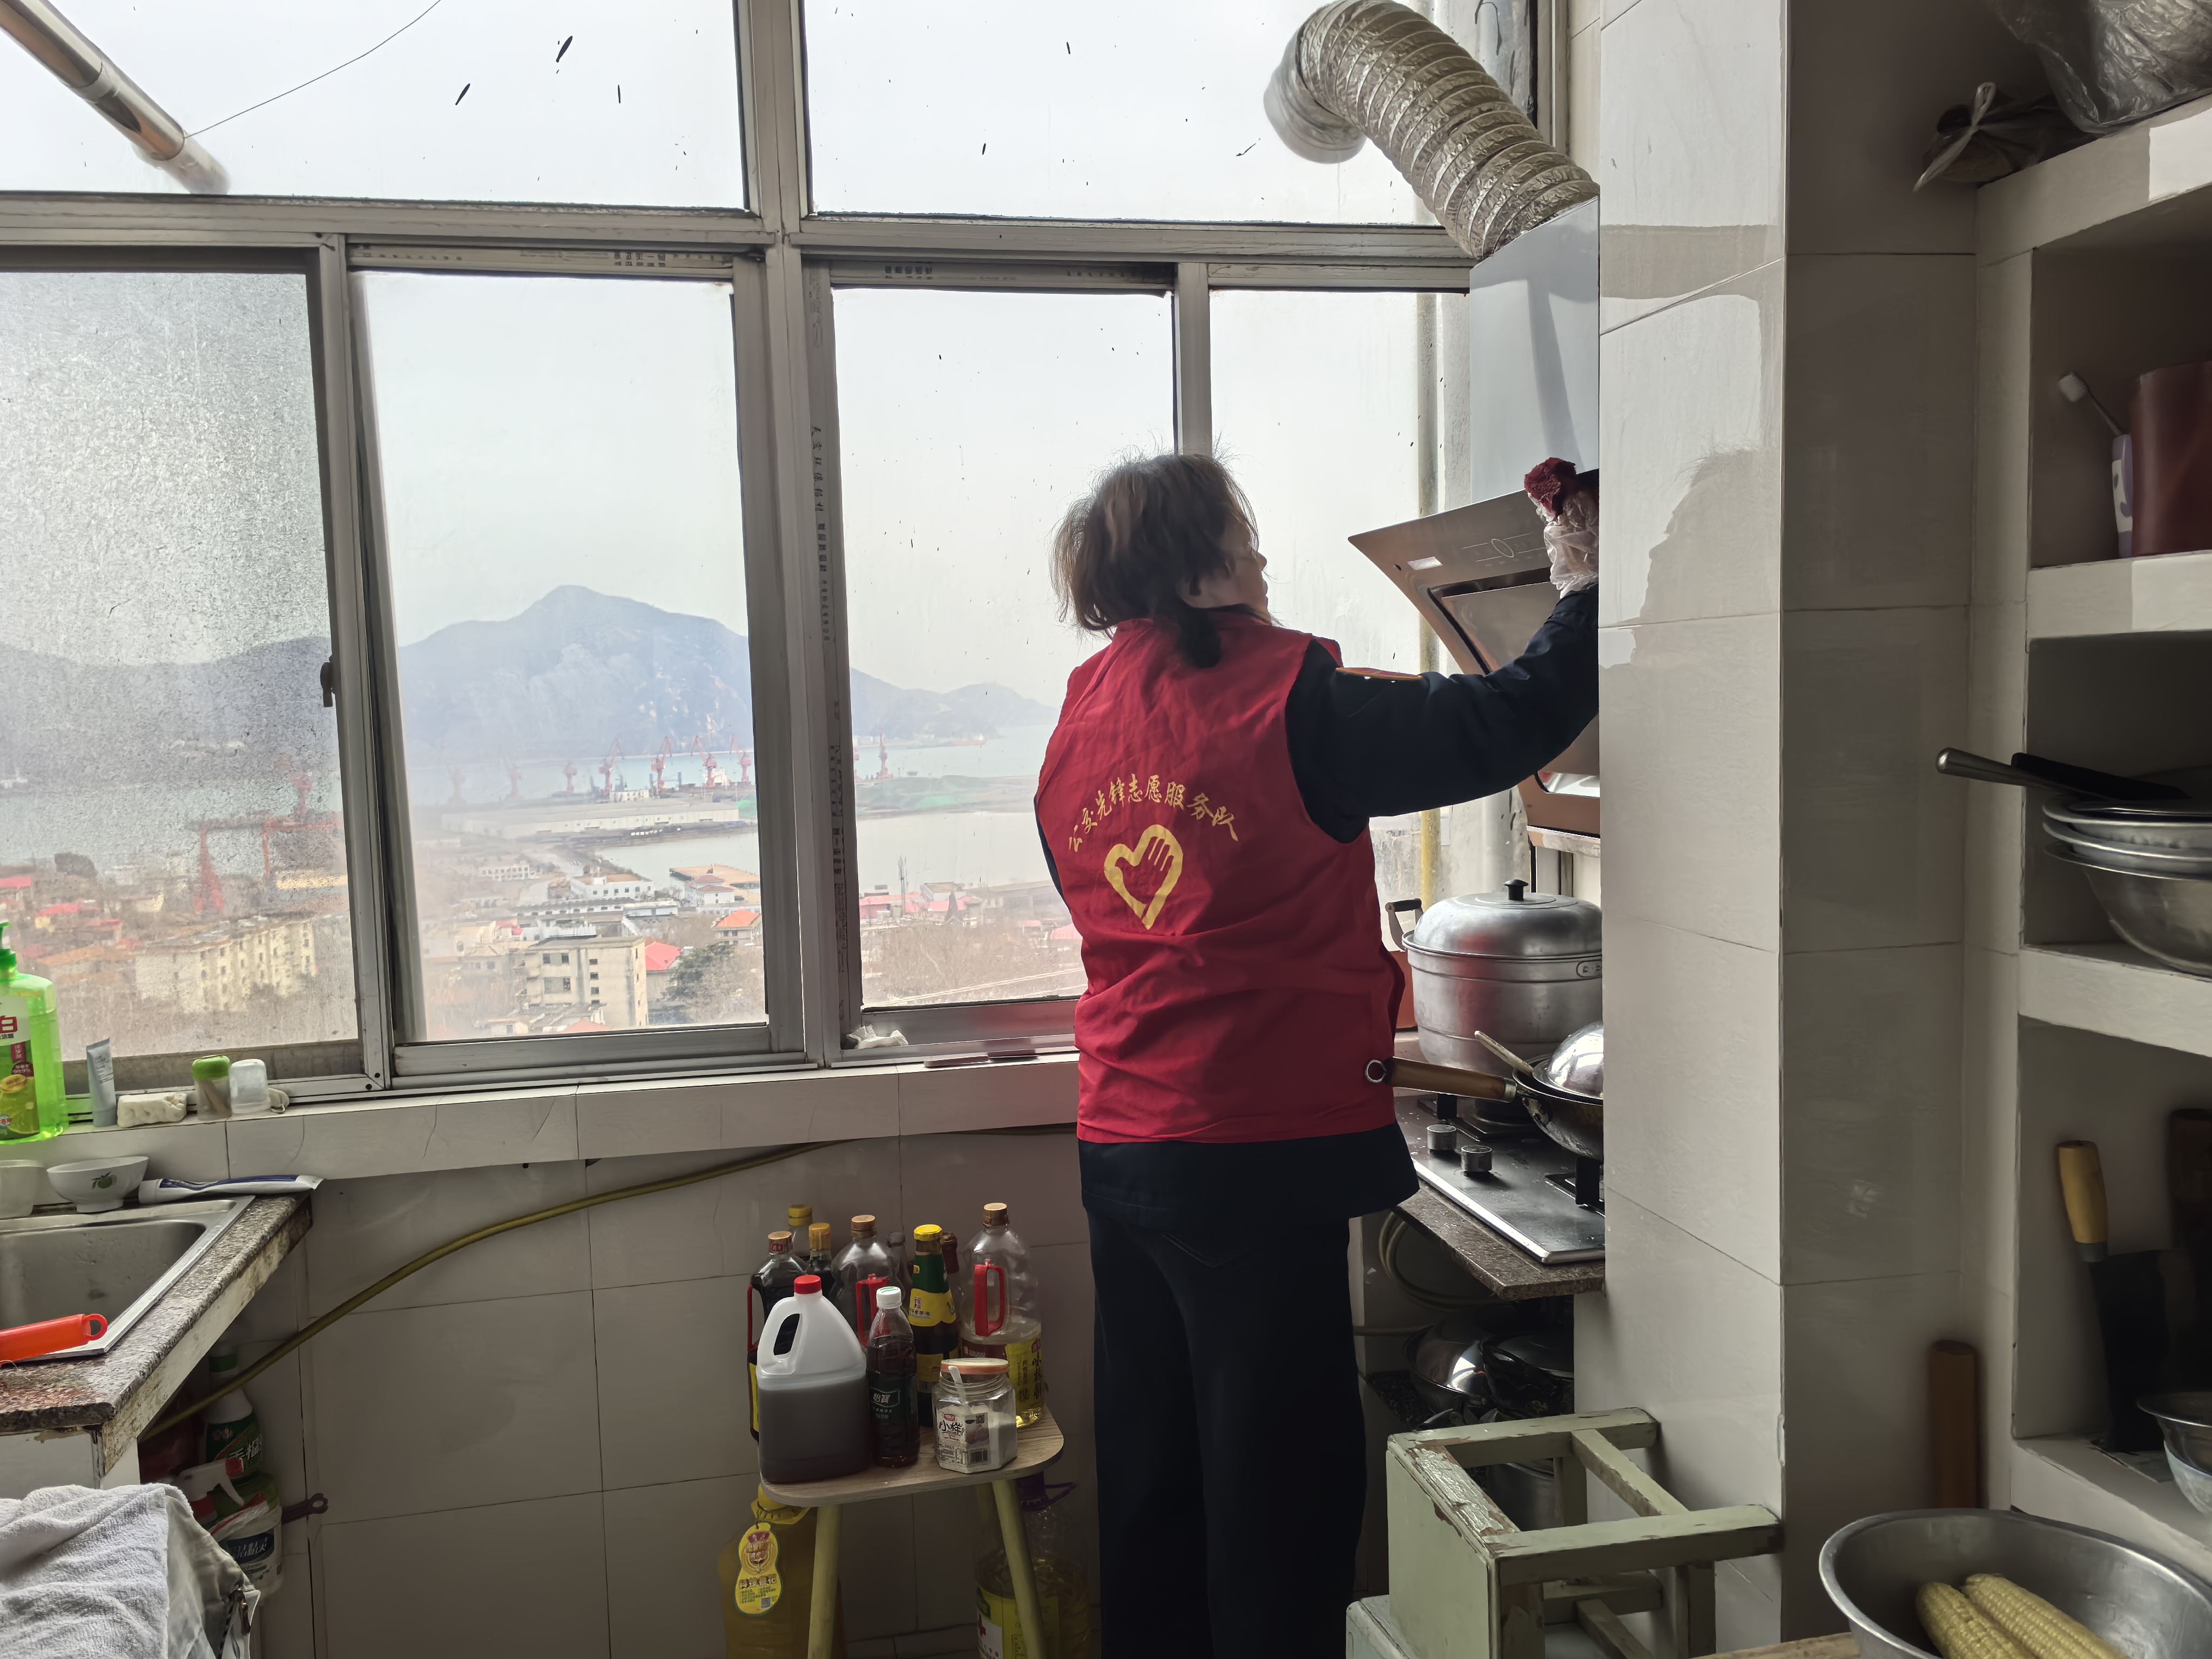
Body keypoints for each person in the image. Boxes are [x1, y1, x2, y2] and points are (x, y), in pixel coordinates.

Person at [1033, 451, 1598, 1657]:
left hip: (1122, 1141)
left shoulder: (1083, 712)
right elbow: (1502, 724)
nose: (1261, 557)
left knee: (1158, 1476)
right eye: (1242, 538)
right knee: (1277, 1498)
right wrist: (1583, 590)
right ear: (1198, 564)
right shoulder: (1285, 699)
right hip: (1248, 1151)